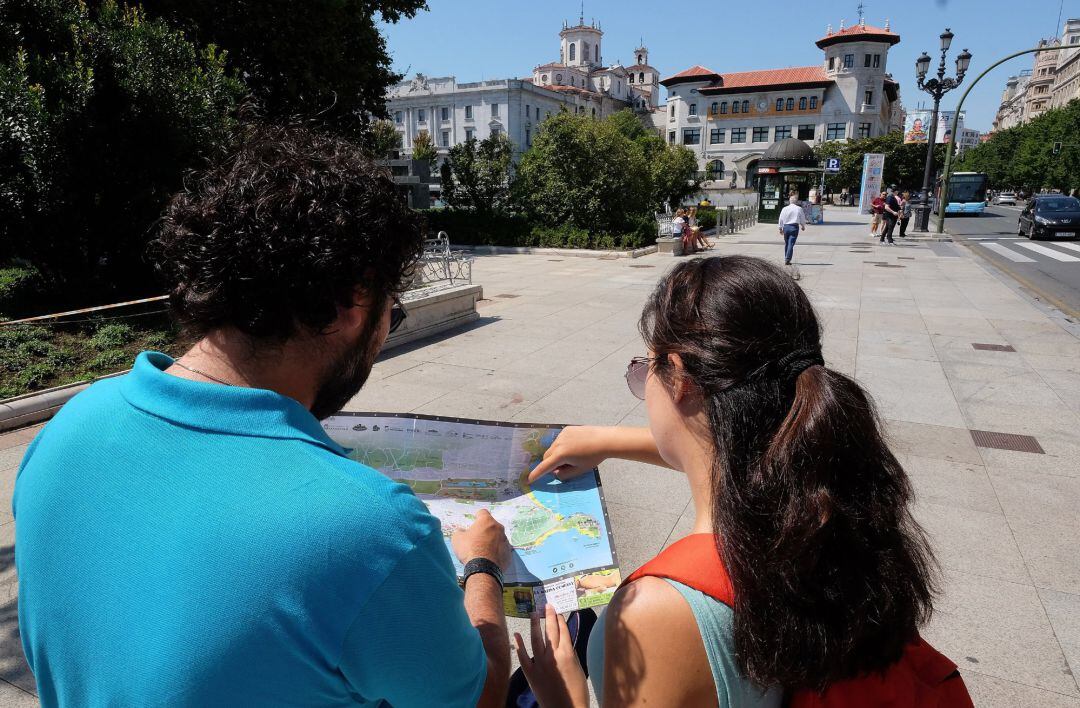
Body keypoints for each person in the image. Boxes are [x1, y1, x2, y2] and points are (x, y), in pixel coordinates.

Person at [13, 123, 513, 707]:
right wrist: (482, 565)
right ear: (354, 302)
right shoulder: (373, 532)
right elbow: (480, 696)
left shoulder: (66, 431)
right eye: (390, 316)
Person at [516, 256, 970, 708]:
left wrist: (565, 699)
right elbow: (735, 450)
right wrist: (608, 440)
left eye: (644, 367)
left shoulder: (657, 613)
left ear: (677, 378)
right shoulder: (829, 502)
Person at [777, 194, 806, 266]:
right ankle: (787, 259)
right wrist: (803, 225)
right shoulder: (799, 209)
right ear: (796, 202)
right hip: (794, 227)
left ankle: (786, 257)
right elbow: (802, 218)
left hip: (786, 227)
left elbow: (781, 218)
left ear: (789, 201)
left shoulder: (784, 209)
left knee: (787, 243)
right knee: (791, 243)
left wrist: (780, 228)